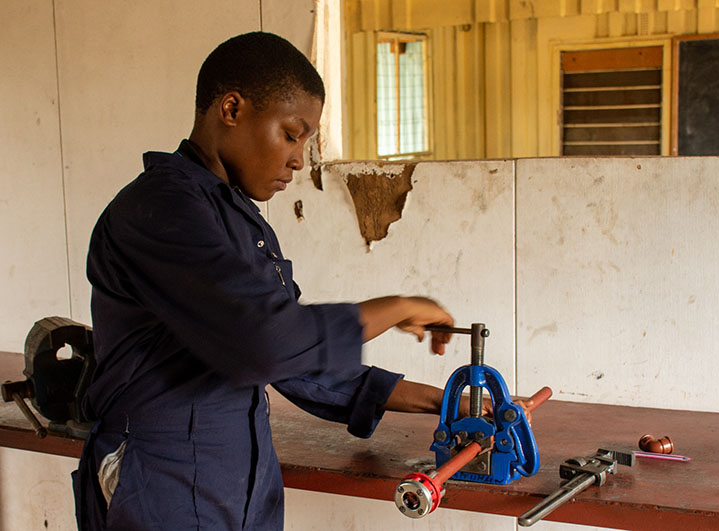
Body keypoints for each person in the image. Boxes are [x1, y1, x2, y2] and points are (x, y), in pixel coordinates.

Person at [73, 31, 531, 530]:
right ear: (232, 109)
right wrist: (395, 307)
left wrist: (451, 404)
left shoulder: (236, 217)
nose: (298, 159)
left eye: (307, 142)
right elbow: (267, 343)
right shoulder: (161, 208)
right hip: (160, 482)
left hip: (238, 474)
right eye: (292, 134)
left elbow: (296, 362)